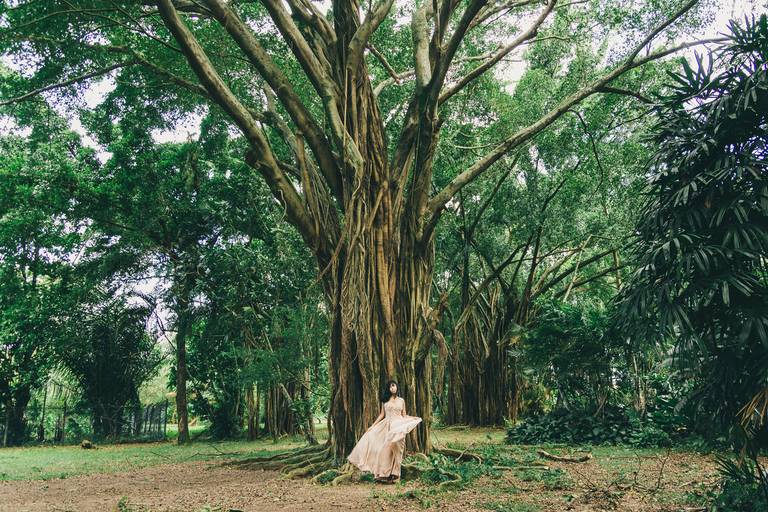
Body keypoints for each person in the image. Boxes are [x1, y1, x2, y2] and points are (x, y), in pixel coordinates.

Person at [347, 379, 422, 483]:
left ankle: (397, 474)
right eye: (391, 386)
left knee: (397, 449)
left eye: (394, 386)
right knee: (384, 450)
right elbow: (382, 415)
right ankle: (384, 474)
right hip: (387, 426)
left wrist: (413, 418)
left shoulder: (401, 400)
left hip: (399, 426)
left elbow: (404, 415)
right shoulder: (385, 400)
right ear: (388, 388)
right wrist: (372, 426)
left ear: (397, 387)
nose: (393, 388)